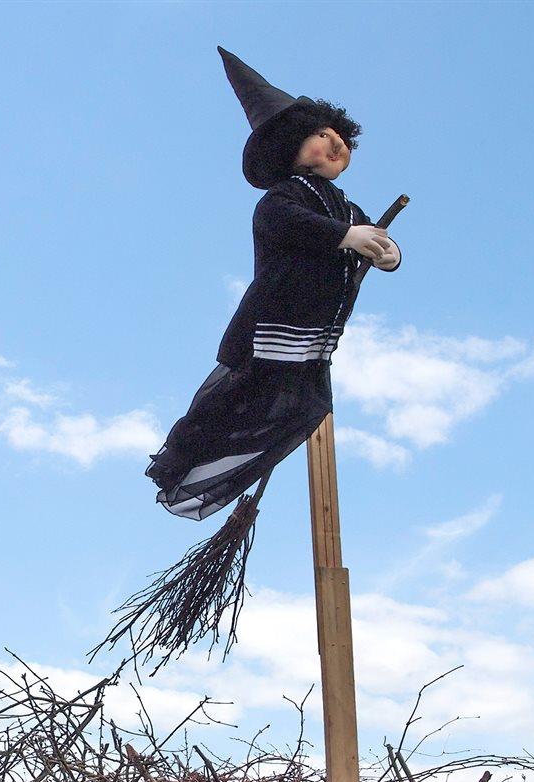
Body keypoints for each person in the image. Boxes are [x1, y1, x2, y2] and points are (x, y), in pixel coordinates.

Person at [145, 48, 403, 520]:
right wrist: (346, 237)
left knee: (305, 403)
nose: (333, 143)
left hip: (314, 337)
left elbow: (374, 238)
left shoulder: (346, 206)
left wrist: (387, 254)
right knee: (244, 397)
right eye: (319, 136)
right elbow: (286, 222)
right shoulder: (285, 197)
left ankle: (239, 447)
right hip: (273, 328)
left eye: (336, 136)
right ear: (289, 147)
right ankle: (186, 461)